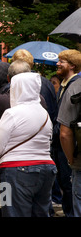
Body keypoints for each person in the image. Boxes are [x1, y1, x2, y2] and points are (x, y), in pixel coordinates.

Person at [0, 72, 56, 217]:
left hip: (13, 171)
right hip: (46, 169)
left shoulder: (11, 113)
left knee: (9, 211)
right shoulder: (45, 114)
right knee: (41, 212)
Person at [54, 49, 81, 217]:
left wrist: (71, 158)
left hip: (75, 154)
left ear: (72, 65)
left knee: (73, 192)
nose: (57, 63)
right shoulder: (67, 84)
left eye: (61, 61)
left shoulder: (74, 86)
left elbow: (65, 133)